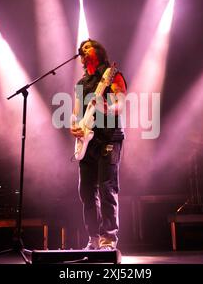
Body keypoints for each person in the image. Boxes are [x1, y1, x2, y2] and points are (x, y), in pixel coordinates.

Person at [70, 39, 127, 250]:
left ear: (98, 51)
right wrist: (74, 127)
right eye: (81, 49)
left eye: (88, 46)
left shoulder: (112, 75)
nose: (83, 50)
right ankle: (93, 238)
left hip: (109, 138)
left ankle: (108, 238)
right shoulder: (80, 84)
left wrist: (105, 107)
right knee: (86, 191)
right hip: (87, 141)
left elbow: (120, 105)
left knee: (106, 187)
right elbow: (76, 115)